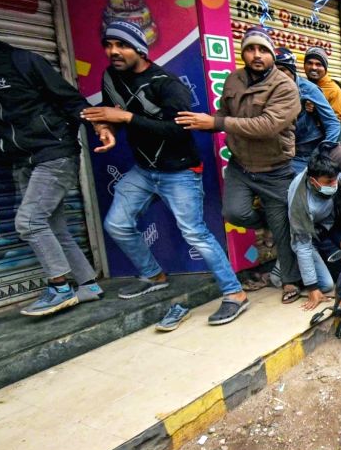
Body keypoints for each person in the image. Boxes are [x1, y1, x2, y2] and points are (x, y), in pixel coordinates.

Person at [0, 2, 114, 316]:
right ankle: (87, 284)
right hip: (21, 159)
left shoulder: (23, 61)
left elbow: (69, 99)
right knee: (53, 224)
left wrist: (99, 126)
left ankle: (60, 287)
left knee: (28, 222)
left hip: (53, 152)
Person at [79, 22, 249, 327]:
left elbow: (178, 130)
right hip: (144, 169)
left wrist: (127, 117)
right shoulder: (110, 76)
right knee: (116, 224)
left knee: (195, 232)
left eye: (122, 45)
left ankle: (235, 294)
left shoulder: (167, 84)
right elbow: (108, 113)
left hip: (179, 169)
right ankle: (153, 274)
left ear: (139, 49)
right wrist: (106, 128)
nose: (113, 51)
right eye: (109, 44)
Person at [176, 25, 304, 305]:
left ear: (271, 53)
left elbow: (269, 125)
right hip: (241, 164)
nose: (257, 55)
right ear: (243, 52)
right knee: (234, 212)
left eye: (263, 50)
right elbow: (225, 112)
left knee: (283, 231)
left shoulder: (285, 86)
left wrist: (217, 123)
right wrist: (203, 123)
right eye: (250, 49)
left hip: (275, 167)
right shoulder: (233, 80)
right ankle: (268, 223)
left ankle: (290, 280)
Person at [287, 154, 341, 311]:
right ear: (313, 181)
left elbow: (338, 176)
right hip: (305, 234)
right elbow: (304, 247)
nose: (334, 184)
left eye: (335, 179)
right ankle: (281, 269)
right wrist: (312, 289)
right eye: (328, 182)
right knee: (325, 285)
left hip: (323, 229)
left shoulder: (321, 172)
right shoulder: (302, 207)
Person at [273, 48, 341, 176]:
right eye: (273, 71)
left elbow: (334, 123)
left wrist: (321, 153)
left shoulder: (309, 89)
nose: (277, 76)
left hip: (307, 154)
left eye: (282, 71)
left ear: (292, 70)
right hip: (283, 154)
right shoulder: (271, 89)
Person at [304, 47, 341, 121]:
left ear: (325, 68)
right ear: (304, 66)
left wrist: (317, 111)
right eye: (310, 63)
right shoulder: (302, 85)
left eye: (318, 64)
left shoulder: (334, 91)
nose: (313, 67)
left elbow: (336, 123)